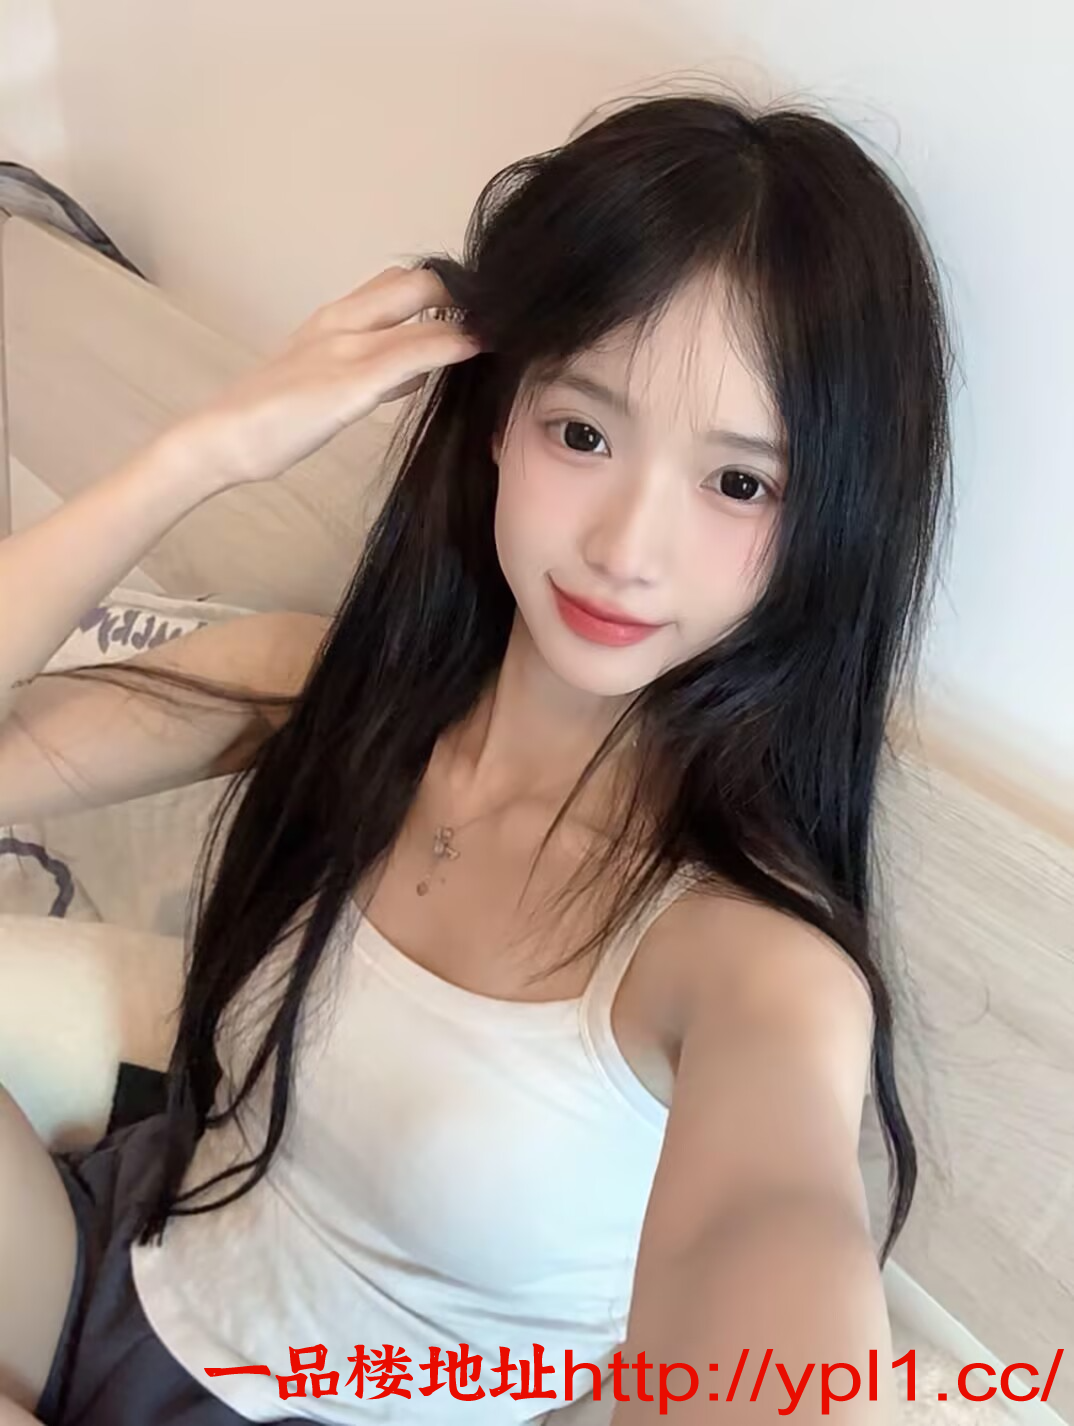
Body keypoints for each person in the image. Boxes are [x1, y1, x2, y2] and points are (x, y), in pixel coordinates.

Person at [0, 89, 952, 1426]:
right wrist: (207, 449)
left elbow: (773, 1247)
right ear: (497, 417)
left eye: (739, 483)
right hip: (112, 1265)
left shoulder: (748, 963)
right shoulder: (327, 695)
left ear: (828, 528)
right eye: (584, 432)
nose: (627, 547)